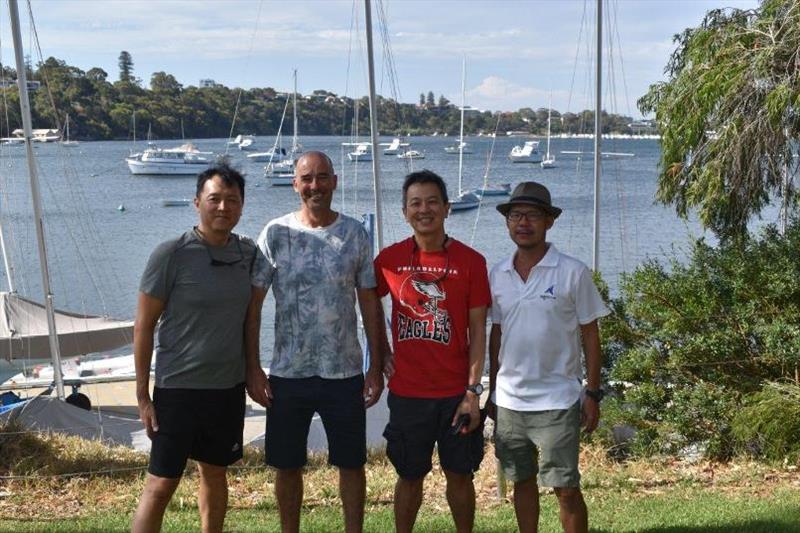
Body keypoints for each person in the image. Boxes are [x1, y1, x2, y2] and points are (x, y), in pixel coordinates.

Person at [246, 151, 384, 533]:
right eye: (307, 178)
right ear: (295, 184)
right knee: (287, 465)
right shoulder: (275, 233)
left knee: (352, 464)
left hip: (344, 371)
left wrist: (376, 367)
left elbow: (370, 304)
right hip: (289, 373)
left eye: (323, 178)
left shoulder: (355, 234)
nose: (315, 186)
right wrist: (253, 369)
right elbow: (253, 307)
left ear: (334, 182)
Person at [132, 165, 262, 533]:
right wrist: (142, 394)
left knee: (215, 474)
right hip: (178, 390)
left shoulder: (248, 253)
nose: (223, 207)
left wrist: (253, 370)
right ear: (197, 203)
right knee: (161, 484)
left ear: (241, 206)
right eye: (214, 199)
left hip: (227, 389)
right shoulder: (171, 254)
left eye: (232, 200)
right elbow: (143, 326)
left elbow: (252, 317)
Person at [487, 182, 610, 533]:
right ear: (507, 222)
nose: (523, 222)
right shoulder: (497, 274)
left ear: (549, 221)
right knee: (521, 482)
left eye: (533, 215)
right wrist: (493, 391)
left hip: (558, 399)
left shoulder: (573, 271)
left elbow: (590, 334)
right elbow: (497, 334)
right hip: (510, 400)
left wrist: (593, 391)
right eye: (515, 215)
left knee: (566, 487)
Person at [375, 170, 490, 533]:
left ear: (446, 208)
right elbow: (365, 302)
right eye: (415, 203)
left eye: (431, 202)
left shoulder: (472, 261)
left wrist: (473, 392)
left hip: (455, 394)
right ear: (405, 211)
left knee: (460, 475)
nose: (424, 210)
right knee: (409, 476)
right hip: (408, 394)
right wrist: (380, 351)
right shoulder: (389, 260)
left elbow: (477, 331)